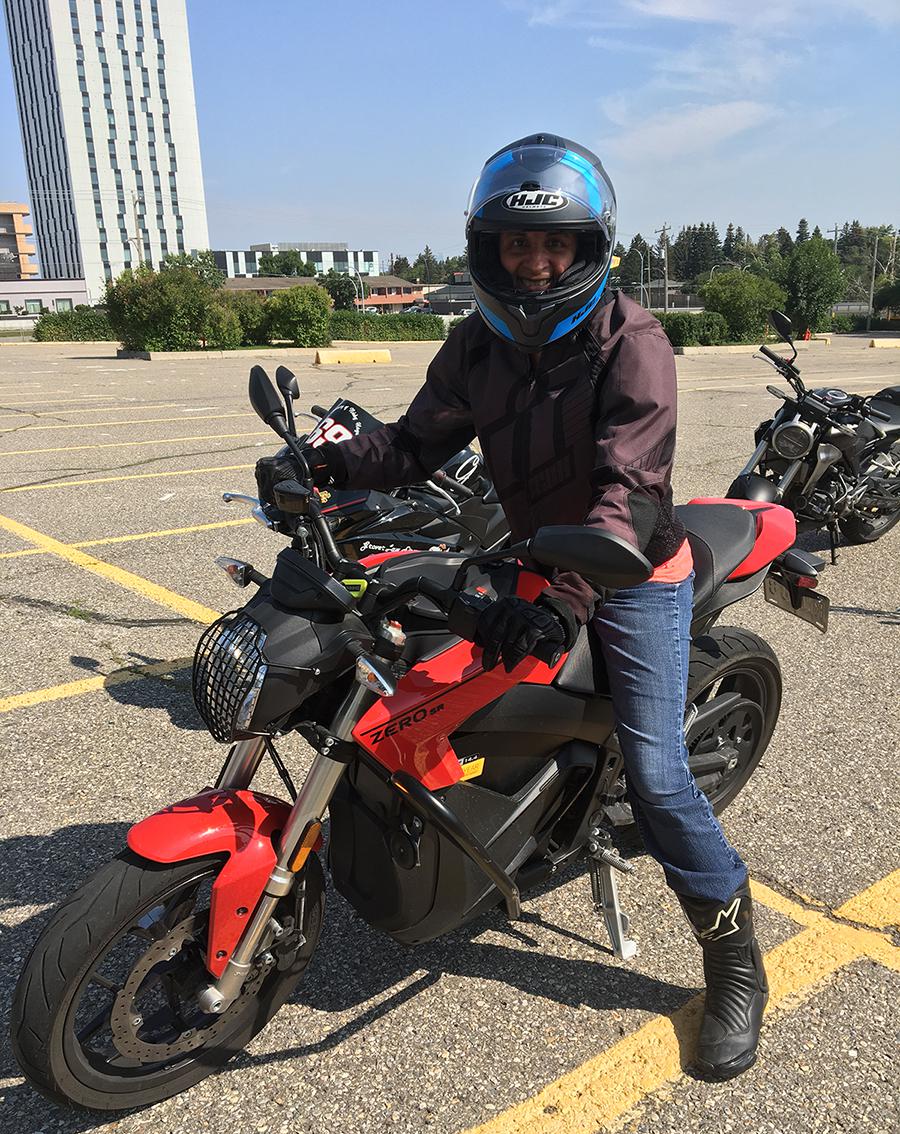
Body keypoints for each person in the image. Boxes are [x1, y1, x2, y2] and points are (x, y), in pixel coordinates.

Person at [256, 133, 768, 1080]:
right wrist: (322, 461)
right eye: (517, 247)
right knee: (424, 676)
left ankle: (733, 954)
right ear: (488, 251)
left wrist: (568, 595)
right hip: (535, 554)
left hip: (628, 571)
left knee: (657, 778)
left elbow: (631, 488)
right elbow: (414, 447)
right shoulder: (477, 343)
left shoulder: (634, 343)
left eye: (556, 247)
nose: (536, 265)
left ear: (588, 249)